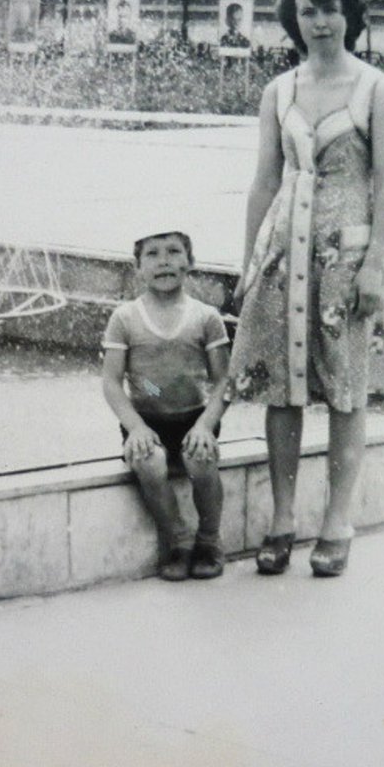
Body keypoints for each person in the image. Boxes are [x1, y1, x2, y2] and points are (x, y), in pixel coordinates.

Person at [225, 0, 384, 578]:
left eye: (331, 9)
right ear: (294, 21)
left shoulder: (375, 89)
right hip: (286, 255)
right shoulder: (279, 91)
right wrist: (248, 263)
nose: (321, 22)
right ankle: (282, 520)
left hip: (346, 259)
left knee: (345, 391)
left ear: (350, 16)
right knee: (282, 389)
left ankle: (337, 522)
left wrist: (372, 264)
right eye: (308, 11)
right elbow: (264, 180)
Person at [101, 230, 230, 581]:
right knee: (148, 461)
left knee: (200, 458)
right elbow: (111, 382)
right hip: (146, 421)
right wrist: (135, 427)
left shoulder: (206, 317)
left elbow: (224, 381)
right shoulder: (125, 318)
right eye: (153, 254)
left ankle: (209, 539)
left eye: (174, 252)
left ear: (190, 261)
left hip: (193, 419)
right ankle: (177, 539)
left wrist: (205, 426)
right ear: (137, 266)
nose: (164, 262)